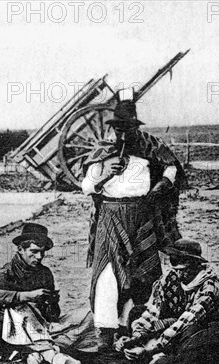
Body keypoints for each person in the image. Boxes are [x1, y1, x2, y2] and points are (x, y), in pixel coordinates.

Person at [81, 96, 186, 350]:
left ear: (135, 127)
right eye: (118, 128)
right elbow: (86, 187)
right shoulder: (103, 151)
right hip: (111, 216)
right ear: (113, 128)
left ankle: (135, 328)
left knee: (143, 273)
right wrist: (107, 174)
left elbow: (171, 168)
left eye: (127, 128)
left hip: (141, 214)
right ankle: (105, 333)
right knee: (108, 273)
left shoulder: (150, 145)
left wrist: (162, 186)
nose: (122, 133)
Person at [0, 223, 96, 364]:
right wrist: (28, 296)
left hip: (40, 327)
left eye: (42, 252)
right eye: (33, 252)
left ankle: (36, 352)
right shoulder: (8, 271)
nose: (39, 257)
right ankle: (48, 353)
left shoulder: (44, 273)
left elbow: (52, 316)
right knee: (20, 306)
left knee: (88, 316)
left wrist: (51, 303)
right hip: (10, 329)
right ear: (20, 249)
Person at [115, 239, 219, 364]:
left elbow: (187, 320)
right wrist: (135, 338)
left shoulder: (210, 286)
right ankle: (158, 357)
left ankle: (160, 360)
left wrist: (150, 349)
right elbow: (153, 311)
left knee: (193, 340)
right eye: (176, 270)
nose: (179, 275)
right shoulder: (169, 279)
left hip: (204, 332)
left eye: (184, 271)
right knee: (137, 312)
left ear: (196, 265)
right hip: (174, 329)